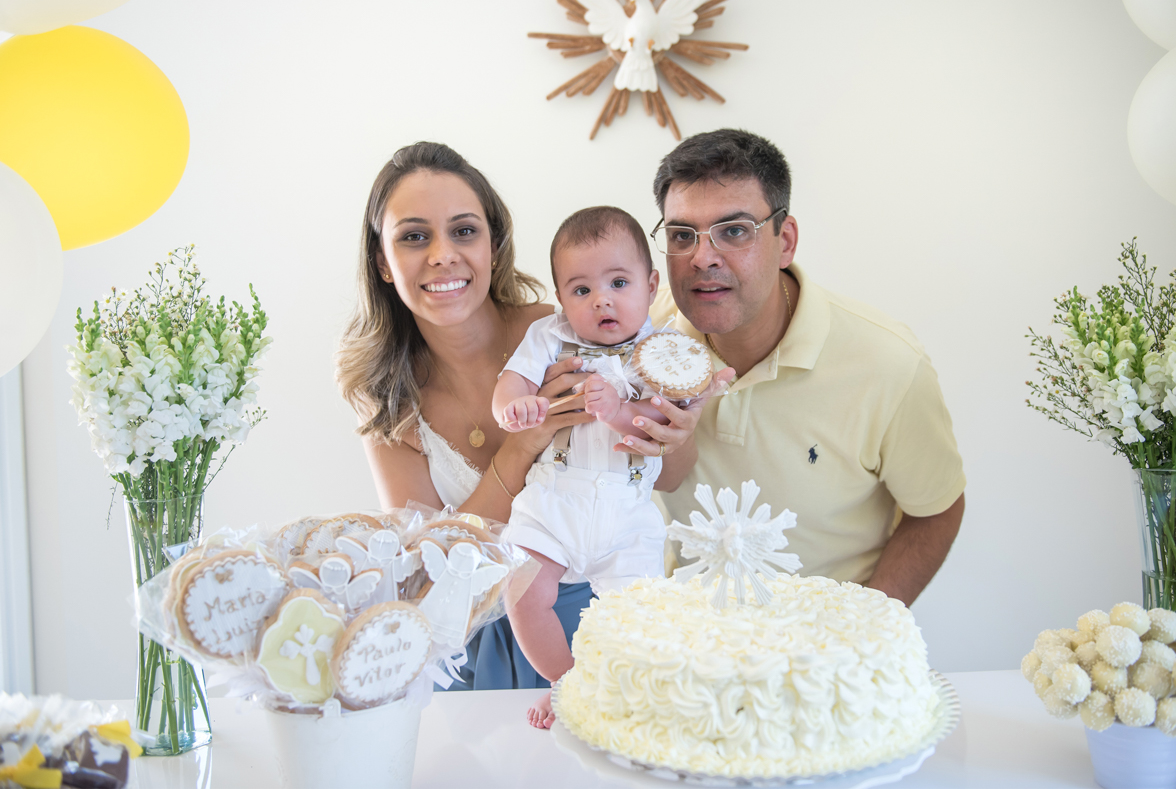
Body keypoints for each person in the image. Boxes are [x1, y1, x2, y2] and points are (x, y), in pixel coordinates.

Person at [335, 142, 709, 694]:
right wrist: (524, 444)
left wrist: (668, 426)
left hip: (593, 611)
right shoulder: (388, 398)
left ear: (494, 244)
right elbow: (429, 570)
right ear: (383, 263)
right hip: (473, 645)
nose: (442, 255)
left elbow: (670, 476)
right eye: (414, 237)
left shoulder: (568, 331)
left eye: (464, 231)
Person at [648, 129, 966, 606]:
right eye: (681, 235)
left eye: (734, 231)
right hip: (686, 648)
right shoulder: (641, 340)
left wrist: (865, 626)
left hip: (825, 656)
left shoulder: (889, 365)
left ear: (786, 240)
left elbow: (937, 510)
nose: (702, 258)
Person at [493, 206, 728, 728]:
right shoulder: (550, 337)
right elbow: (511, 382)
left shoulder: (661, 349)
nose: (601, 299)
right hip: (556, 499)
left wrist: (619, 411)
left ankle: (627, 691)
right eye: (580, 290)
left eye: (618, 282)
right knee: (524, 590)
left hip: (626, 513)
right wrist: (514, 407)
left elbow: (662, 420)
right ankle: (564, 682)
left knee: (641, 616)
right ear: (561, 301)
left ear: (649, 286)